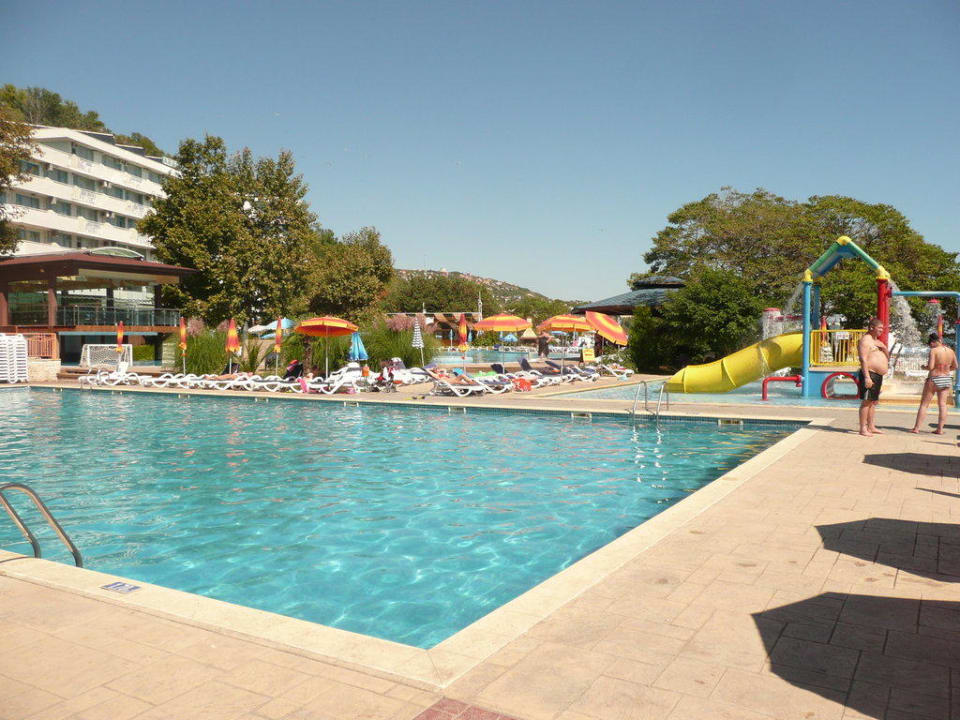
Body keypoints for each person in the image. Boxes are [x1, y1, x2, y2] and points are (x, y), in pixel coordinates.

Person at [910, 333, 957, 434]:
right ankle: (940, 429)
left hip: (934, 378)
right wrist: (946, 369)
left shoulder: (934, 351)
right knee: (943, 405)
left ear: (932, 342)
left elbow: (931, 367)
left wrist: (924, 367)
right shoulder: (951, 351)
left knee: (924, 404)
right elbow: (955, 366)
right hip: (946, 378)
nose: (930, 346)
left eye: (930, 344)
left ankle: (916, 428)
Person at [857, 317, 889, 437]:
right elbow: (863, 359)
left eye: (882, 328)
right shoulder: (866, 340)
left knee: (872, 402)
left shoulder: (877, 341)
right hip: (869, 374)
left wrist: (884, 348)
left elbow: (887, 357)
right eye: (879, 328)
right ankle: (863, 428)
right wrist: (867, 377)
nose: (881, 330)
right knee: (866, 402)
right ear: (871, 327)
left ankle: (871, 426)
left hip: (877, 375)